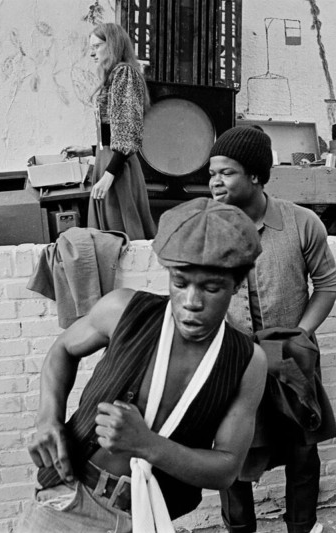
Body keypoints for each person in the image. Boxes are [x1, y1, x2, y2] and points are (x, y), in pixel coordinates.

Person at [18, 198, 268, 532]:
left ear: (236, 284)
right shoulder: (124, 310)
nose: (191, 302)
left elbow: (226, 469)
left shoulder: (247, 362)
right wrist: (47, 419)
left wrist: (147, 444)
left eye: (211, 288)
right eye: (180, 283)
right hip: (70, 498)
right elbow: (62, 350)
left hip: (149, 516)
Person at [208, 126, 336, 533]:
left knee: (302, 453)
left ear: (255, 176)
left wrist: (300, 335)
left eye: (226, 172)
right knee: (232, 457)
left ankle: (301, 527)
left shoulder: (302, 223)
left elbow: (327, 285)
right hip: (233, 362)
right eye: (212, 173)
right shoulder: (208, 228)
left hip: (293, 361)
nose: (215, 182)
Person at [62, 22, 156, 240]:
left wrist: (109, 174)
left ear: (112, 45)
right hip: (109, 163)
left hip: (117, 168)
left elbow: (128, 131)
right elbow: (115, 132)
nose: (92, 53)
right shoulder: (115, 76)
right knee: (110, 236)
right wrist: (90, 150)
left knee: (121, 236)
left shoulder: (125, 74)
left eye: (97, 46)